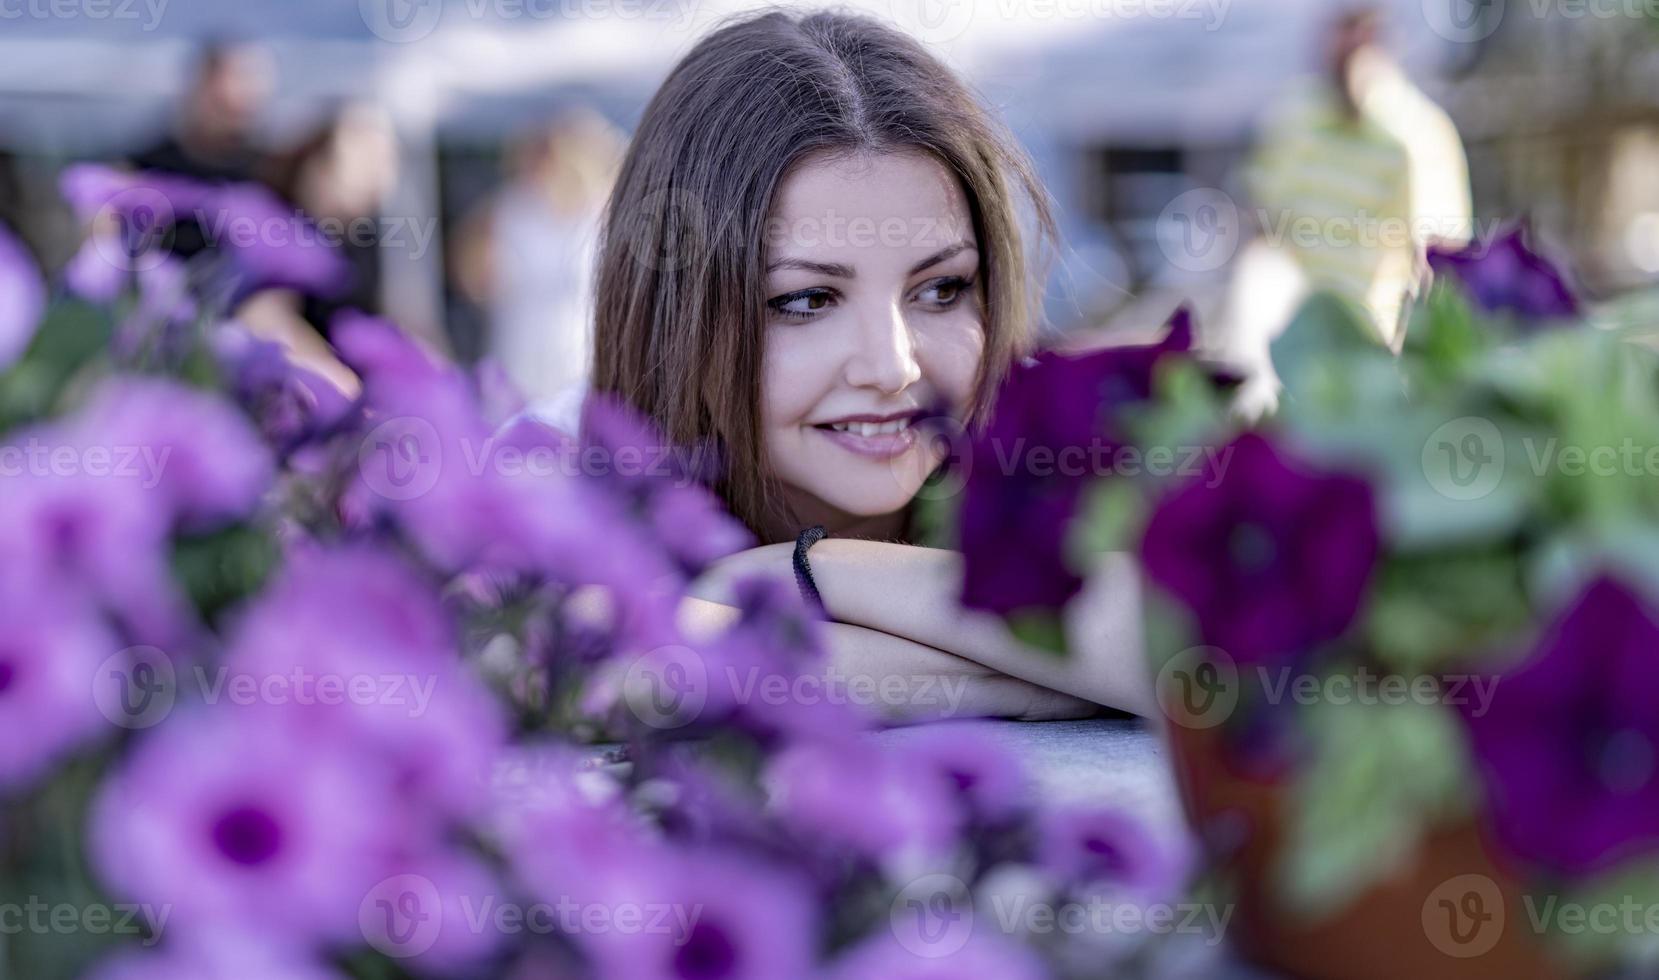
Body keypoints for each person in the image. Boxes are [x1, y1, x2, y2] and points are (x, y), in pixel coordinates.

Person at [570, 11, 1153, 722]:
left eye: (941, 290)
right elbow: (540, 667)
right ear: (674, 314)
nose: (892, 365)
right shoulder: (552, 496)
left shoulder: (1071, 474)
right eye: (807, 300)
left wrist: (811, 571)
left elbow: (1216, 662)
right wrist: (1018, 675)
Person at [1243, 7, 1471, 352]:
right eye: (1342, 26)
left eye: (1363, 25)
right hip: (1293, 345)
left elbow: (1442, 265)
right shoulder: (1292, 118)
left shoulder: (1420, 134)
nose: (1351, 42)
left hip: (1373, 353)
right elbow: (1260, 225)